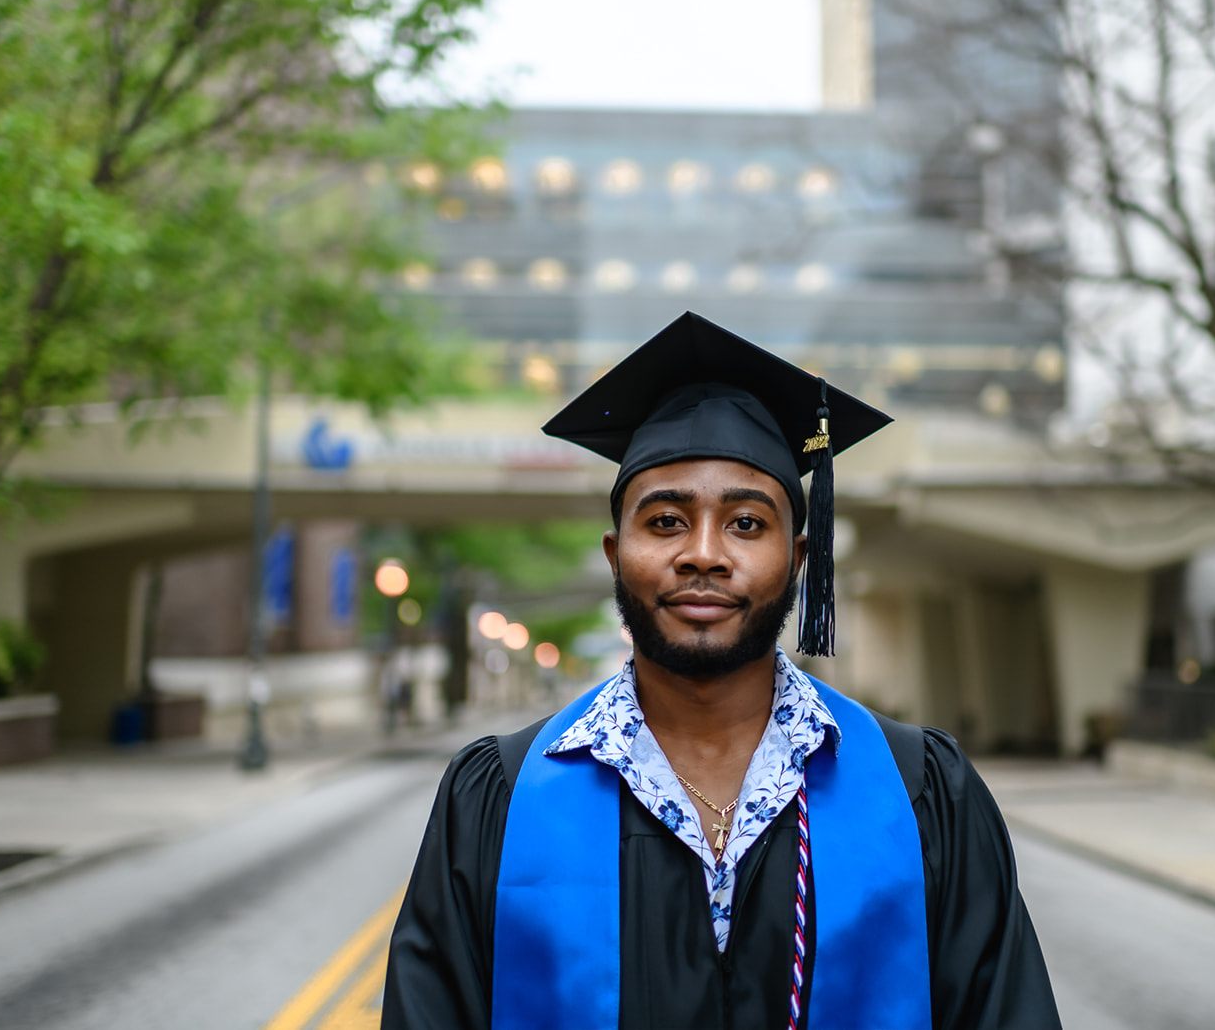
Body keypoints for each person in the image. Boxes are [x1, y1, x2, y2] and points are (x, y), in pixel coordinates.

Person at [383, 313, 1061, 1030]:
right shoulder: (500, 797)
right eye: (666, 521)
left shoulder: (923, 790)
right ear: (616, 555)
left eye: (746, 523)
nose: (703, 553)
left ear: (799, 559)